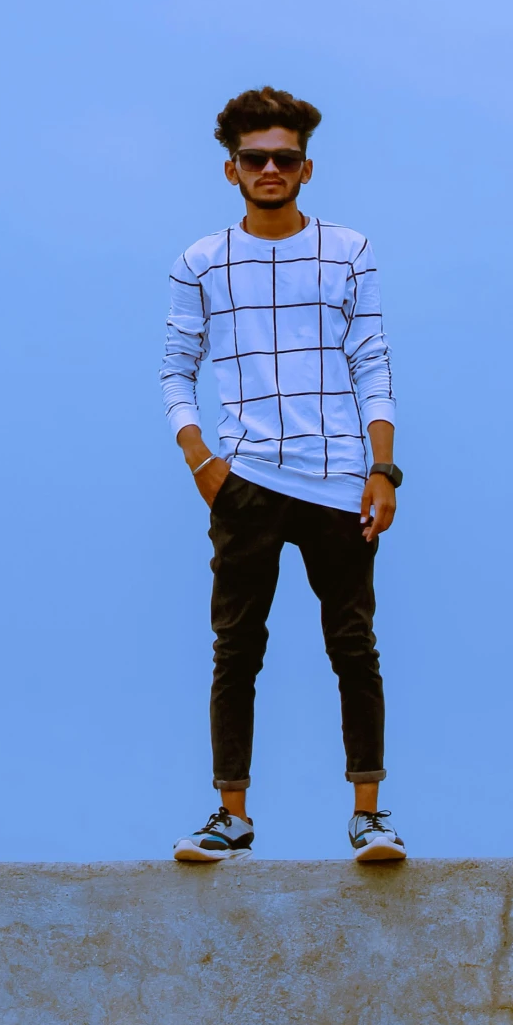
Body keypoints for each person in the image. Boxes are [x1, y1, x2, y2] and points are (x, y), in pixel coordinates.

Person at [161, 85, 406, 866]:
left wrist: (383, 467)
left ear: (306, 168)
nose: (270, 169)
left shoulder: (348, 251)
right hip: (247, 483)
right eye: (254, 158)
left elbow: (372, 361)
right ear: (230, 170)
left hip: (339, 476)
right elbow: (174, 370)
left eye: (284, 158)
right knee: (235, 649)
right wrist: (201, 459)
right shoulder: (201, 262)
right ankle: (229, 816)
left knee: (353, 645)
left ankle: (369, 814)